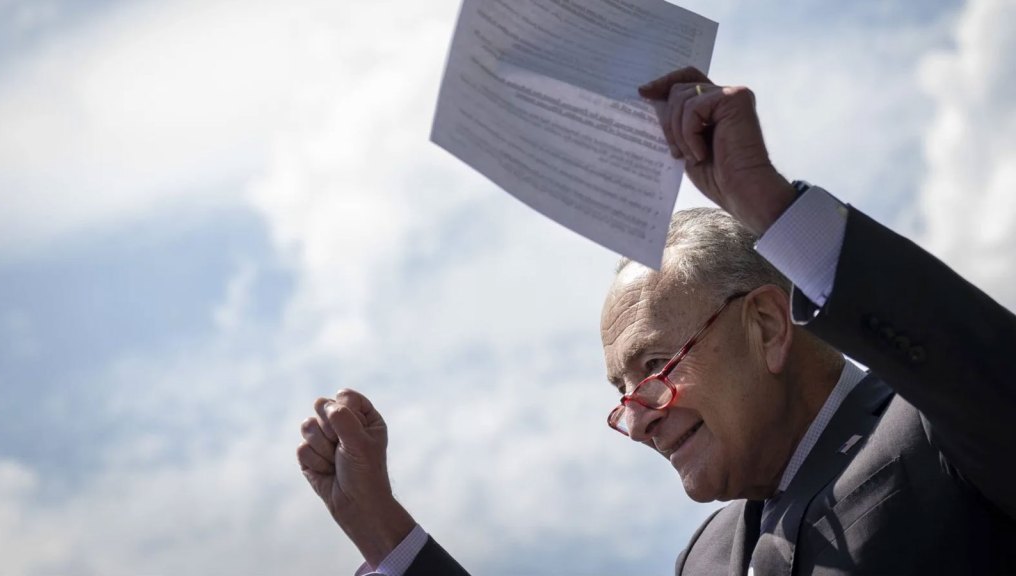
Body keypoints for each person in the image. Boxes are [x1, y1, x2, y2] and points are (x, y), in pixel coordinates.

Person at [296, 67, 1016, 575]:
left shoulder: (934, 428)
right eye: (621, 392)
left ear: (766, 324)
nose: (638, 421)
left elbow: (987, 372)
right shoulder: (702, 559)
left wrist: (772, 209)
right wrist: (385, 535)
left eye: (653, 367)